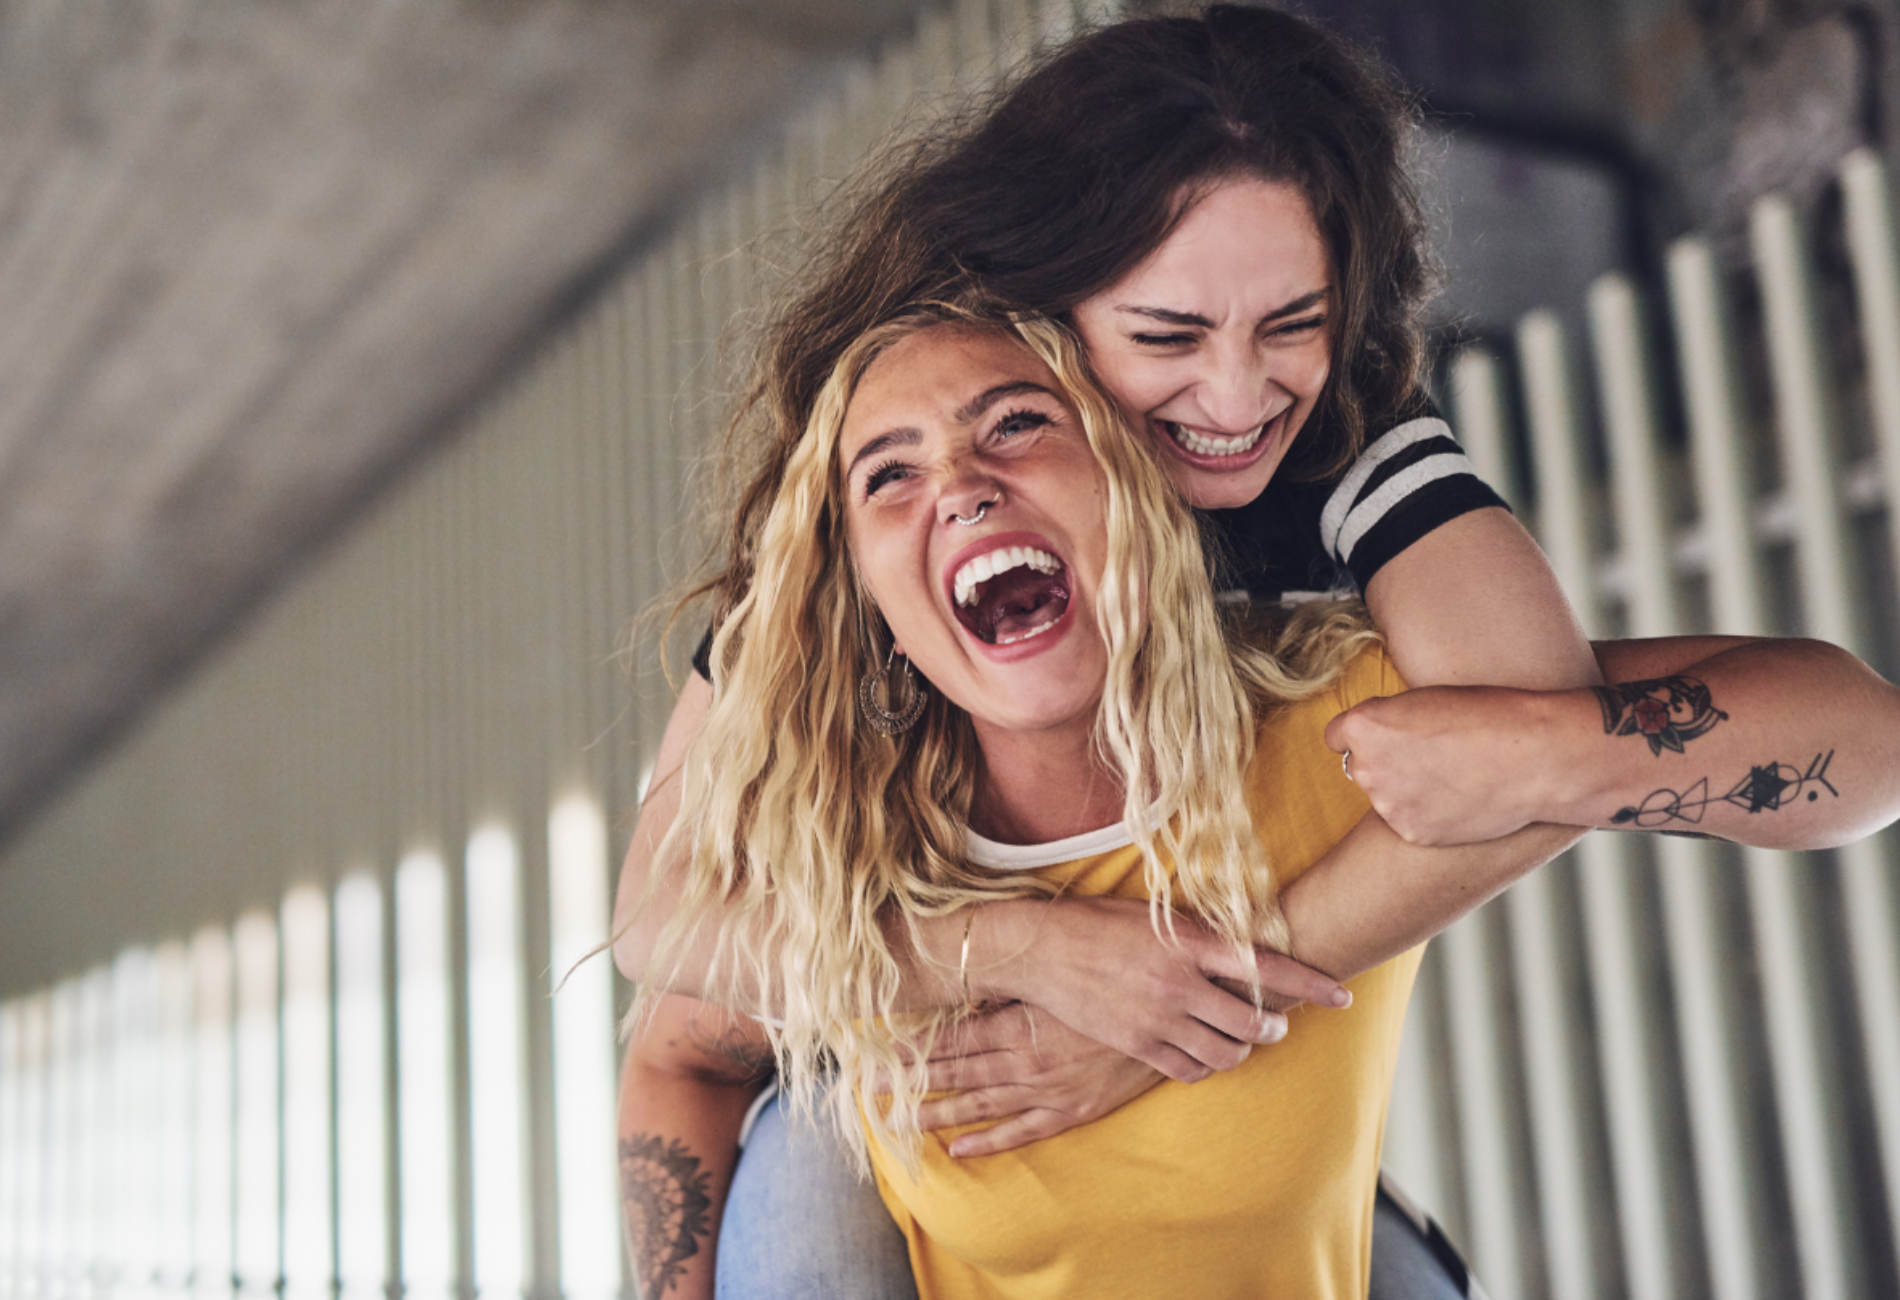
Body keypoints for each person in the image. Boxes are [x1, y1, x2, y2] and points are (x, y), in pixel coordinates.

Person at [615, 6, 1900, 1294]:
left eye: (1295, 321)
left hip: (1287, 1206)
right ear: (1037, 322)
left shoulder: (1341, 474)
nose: (1235, 404)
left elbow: (1542, 738)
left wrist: (1196, 1001)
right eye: (1167, 337)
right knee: (802, 1144)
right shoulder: (871, 599)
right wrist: (1031, 953)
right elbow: (661, 933)